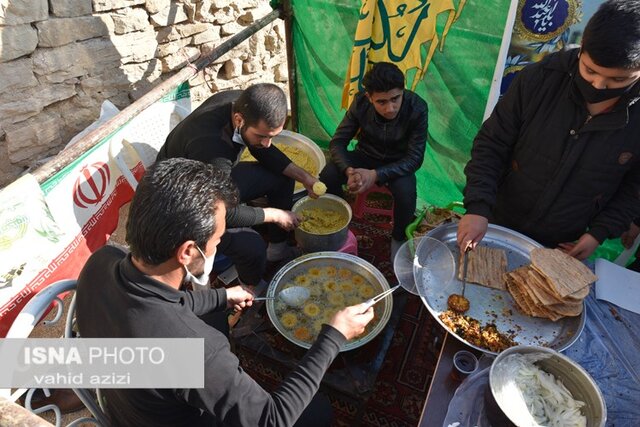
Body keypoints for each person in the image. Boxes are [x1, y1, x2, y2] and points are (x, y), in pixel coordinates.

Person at [75, 158, 374, 426]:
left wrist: (222, 296)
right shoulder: (195, 351)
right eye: (218, 238)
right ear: (188, 251)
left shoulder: (100, 262)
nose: (218, 243)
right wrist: (333, 336)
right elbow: (273, 419)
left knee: (215, 318)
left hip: (126, 401)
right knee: (318, 410)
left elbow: (157, 305)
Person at [458, 0, 640, 260]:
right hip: (496, 220)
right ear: (582, 50)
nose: (599, 85)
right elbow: (492, 144)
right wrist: (477, 207)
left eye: (618, 80)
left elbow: (634, 189)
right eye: (589, 71)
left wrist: (598, 233)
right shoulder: (540, 78)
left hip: (561, 241)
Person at [157, 83, 321, 292]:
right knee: (251, 245)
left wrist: (305, 177)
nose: (267, 143)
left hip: (210, 181)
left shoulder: (240, 103)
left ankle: (277, 250)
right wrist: (274, 214)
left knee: (281, 177)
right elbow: (222, 212)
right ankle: (251, 287)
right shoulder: (214, 148)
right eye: (262, 136)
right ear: (238, 120)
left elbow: (262, 149)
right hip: (183, 205)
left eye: (272, 136)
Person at [319, 62, 428, 260]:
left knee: (407, 192)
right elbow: (338, 142)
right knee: (328, 175)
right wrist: (349, 171)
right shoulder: (360, 103)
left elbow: (415, 158)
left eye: (396, 98)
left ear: (403, 91)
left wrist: (376, 175)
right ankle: (340, 221)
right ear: (369, 98)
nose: (390, 108)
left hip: (398, 163)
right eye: (382, 102)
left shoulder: (417, 107)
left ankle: (398, 238)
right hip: (365, 155)